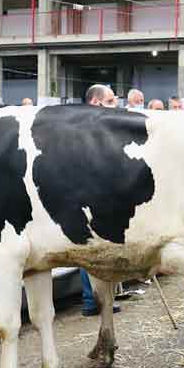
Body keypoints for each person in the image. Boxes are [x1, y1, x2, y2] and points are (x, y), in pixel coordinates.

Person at [78, 86, 122, 317]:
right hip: (88, 193)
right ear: (96, 103)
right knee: (90, 247)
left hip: (99, 191)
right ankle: (93, 299)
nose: (114, 105)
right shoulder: (83, 127)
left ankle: (99, 298)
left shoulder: (97, 125)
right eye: (110, 100)